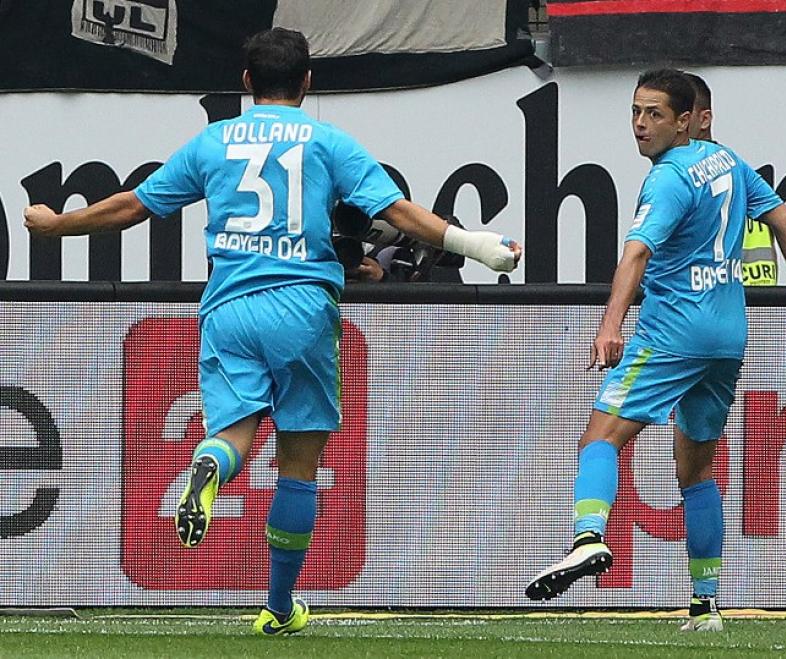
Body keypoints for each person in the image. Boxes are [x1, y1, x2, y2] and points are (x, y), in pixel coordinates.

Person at [24, 27, 521, 636]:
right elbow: (398, 214)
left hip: (228, 306)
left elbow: (134, 205)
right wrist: (475, 246)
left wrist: (55, 225)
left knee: (232, 433)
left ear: (246, 83)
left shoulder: (214, 143)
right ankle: (279, 607)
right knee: (297, 467)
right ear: (308, 82)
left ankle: (208, 465)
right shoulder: (328, 141)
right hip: (302, 306)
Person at [525, 69, 786, 632]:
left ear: (687, 120)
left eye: (655, 115)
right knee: (695, 470)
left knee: (600, 437)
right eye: (636, 113)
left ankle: (587, 537)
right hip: (726, 339)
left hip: (673, 335)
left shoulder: (668, 179)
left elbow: (637, 254)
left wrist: (610, 325)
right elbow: (785, 217)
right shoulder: (727, 161)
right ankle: (706, 604)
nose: (641, 126)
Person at [684, 71, 777, 286]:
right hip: (712, 307)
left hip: (739, 305)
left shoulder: (736, 172)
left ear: (704, 119)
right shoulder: (675, 174)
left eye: (683, 116)